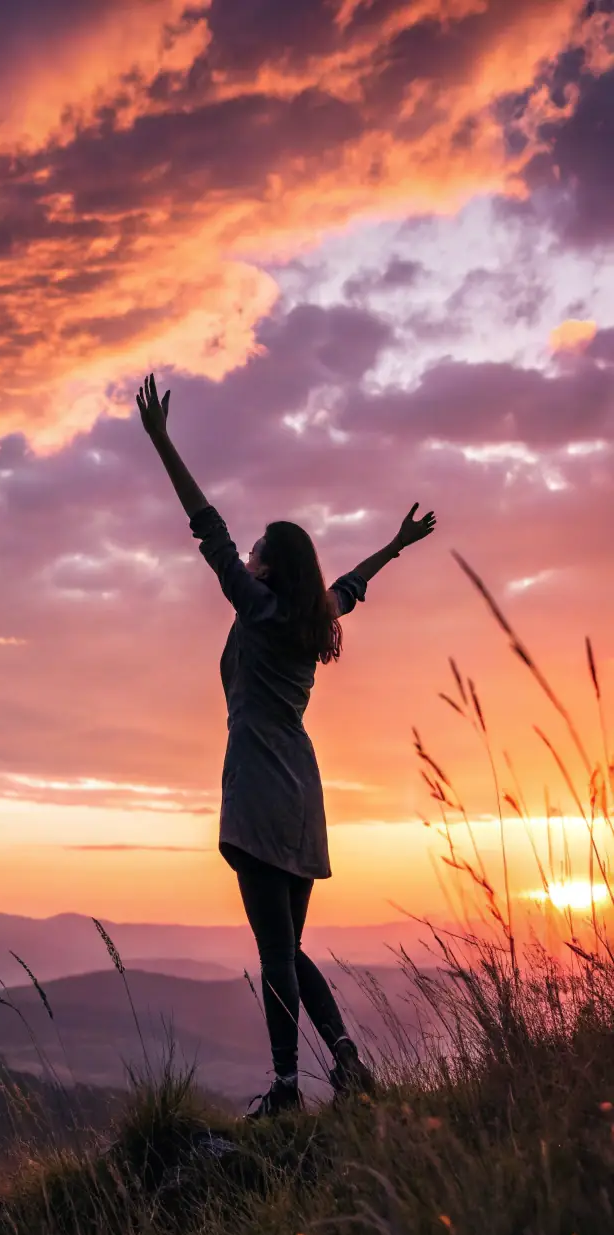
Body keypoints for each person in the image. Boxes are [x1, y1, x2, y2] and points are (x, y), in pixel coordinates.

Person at [135, 373, 436, 1118]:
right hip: (303, 795)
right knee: (289, 948)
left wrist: (164, 443)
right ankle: (346, 1061)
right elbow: (351, 586)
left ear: (268, 566)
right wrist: (395, 545)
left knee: (276, 953)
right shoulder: (309, 618)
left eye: (260, 548)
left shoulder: (261, 607)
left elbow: (209, 528)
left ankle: (285, 1088)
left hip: (262, 793)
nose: (252, 551)